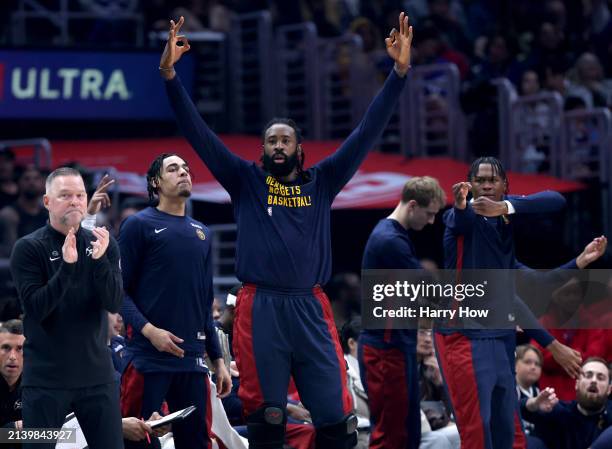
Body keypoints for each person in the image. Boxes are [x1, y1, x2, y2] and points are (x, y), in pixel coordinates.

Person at [159, 11, 412, 449]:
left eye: (285, 140)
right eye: (271, 141)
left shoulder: (325, 180)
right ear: (263, 150)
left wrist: (399, 73)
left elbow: (366, 132)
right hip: (261, 307)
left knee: (338, 421)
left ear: (299, 148)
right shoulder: (246, 181)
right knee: (268, 419)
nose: (278, 146)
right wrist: (169, 78)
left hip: (310, 306)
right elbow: (199, 135)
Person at [436, 156, 608, 449]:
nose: (487, 185)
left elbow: (555, 201)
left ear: (505, 186)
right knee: (478, 436)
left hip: (499, 338)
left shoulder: (502, 225)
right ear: (470, 186)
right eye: (479, 180)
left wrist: (578, 262)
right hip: (465, 337)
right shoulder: (461, 218)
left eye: (493, 180)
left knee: (511, 437)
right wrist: (552, 344)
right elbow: (460, 217)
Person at [118, 153, 231, 449]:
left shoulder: (203, 233)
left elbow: (205, 301)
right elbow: (118, 292)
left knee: (197, 443)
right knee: (135, 440)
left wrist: (217, 360)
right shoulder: (137, 225)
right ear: (156, 182)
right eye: (173, 168)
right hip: (147, 359)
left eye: (186, 168)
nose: (183, 172)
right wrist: (150, 331)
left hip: (192, 362)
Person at [9, 167, 123, 449]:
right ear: (47, 202)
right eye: (65, 195)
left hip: (98, 380)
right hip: (46, 383)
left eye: (80, 195)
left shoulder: (103, 243)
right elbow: (37, 309)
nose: (75, 201)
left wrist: (98, 264)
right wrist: (67, 268)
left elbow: (113, 302)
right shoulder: (28, 248)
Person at [359, 176, 446, 449]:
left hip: (397, 347)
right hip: (386, 350)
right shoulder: (389, 241)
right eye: (429, 214)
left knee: (408, 436)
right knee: (390, 437)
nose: (431, 222)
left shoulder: (395, 237)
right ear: (412, 205)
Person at [521, 357, 612, 449]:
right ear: (577, 384)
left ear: (609, 389)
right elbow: (518, 409)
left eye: (600, 378)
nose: (593, 381)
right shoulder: (558, 410)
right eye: (588, 376)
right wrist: (534, 403)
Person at [0, 166, 48, 257]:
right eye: (27, 179)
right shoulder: (9, 215)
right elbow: (11, 252)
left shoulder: (48, 214)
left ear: (43, 184)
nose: (32, 182)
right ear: (19, 183)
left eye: (36, 178)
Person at [0, 320, 24, 431]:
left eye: (19, 349)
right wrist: (14, 429)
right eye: (6, 348)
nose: (13, 357)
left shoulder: (39, 385)